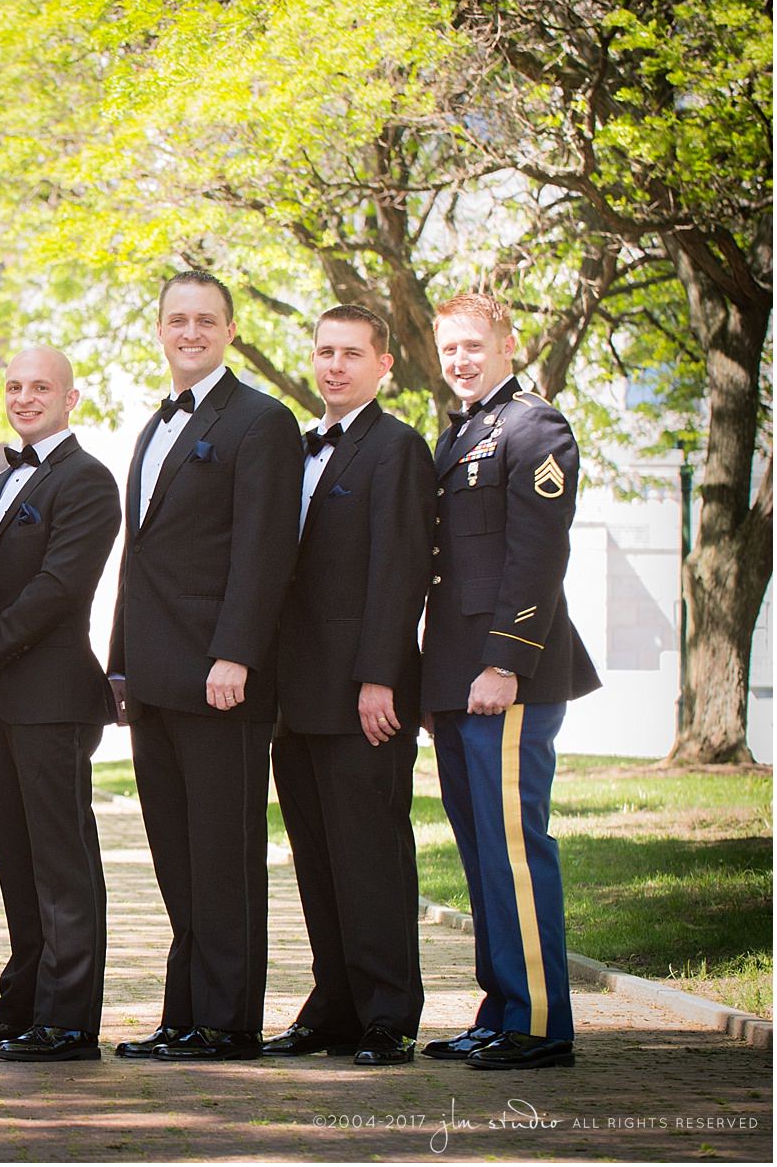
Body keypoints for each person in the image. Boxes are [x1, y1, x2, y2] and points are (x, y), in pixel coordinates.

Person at [107, 270, 301, 1063]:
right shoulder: (154, 425)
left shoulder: (262, 421)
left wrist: (235, 655)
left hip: (222, 680)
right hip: (153, 681)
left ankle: (225, 1023)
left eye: (205, 320)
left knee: (223, 857)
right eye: (177, 320)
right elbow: (141, 558)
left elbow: (265, 552)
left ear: (229, 330)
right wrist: (118, 664)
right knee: (178, 858)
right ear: (161, 330)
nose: (190, 332)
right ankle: (183, 1014)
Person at [420, 292, 599, 1071]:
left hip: (507, 675)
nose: (460, 359)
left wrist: (504, 661)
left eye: (473, 345)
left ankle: (539, 1025)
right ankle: (501, 1011)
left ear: (508, 345)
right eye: (449, 348)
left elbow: (537, 556)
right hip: (459, 676)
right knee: (483, 851)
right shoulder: (458, 432)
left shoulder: (534, 426)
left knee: (516, 850)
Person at [264, 306, 434, 1067]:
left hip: (364, 697)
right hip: (295, 699)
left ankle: (387, 1014)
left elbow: (399, 572)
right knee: (318, 860)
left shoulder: (396, 448)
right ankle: (333, 1004)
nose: (335, 366)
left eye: (352, 354)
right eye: (326, 352)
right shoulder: (298, 448)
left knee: (370, 858)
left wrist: (378, 679)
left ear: (383, 364)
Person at [0, 347, 120, 1063]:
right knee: (16, 863)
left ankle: (69, 1020)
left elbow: (60, 586)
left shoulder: (89, 481)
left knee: (61, 864)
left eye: (40, 386)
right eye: (14, 386)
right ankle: (21, 1008)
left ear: (70, 397)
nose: (24, 397)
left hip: (52, 699)